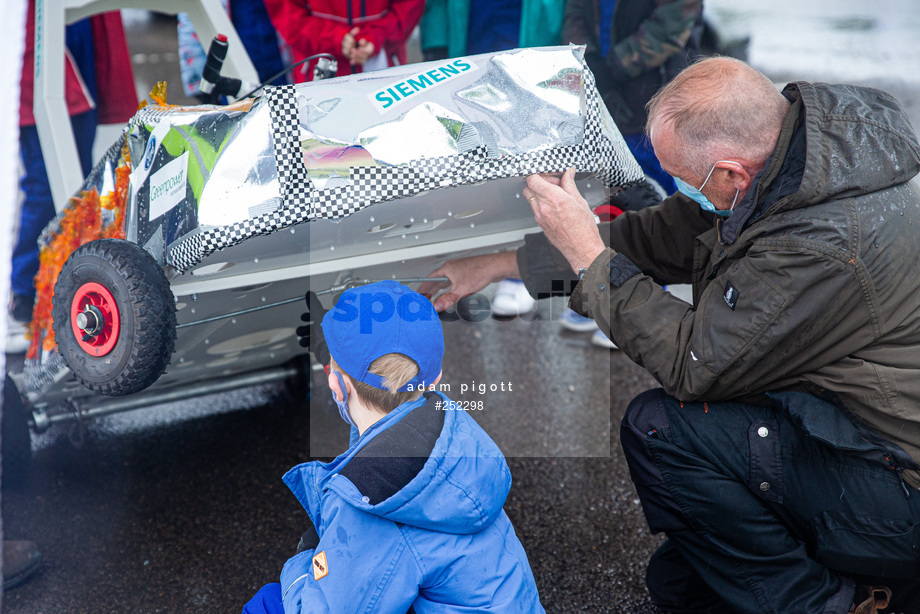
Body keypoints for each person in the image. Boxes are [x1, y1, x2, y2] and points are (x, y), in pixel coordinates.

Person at [420, 57, 920, 613]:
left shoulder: (820, 242)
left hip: (897, 482)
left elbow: (694, 364)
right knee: (684, 589)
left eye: (684, 176)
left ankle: (836, 605)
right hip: (840, 423)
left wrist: (588, 255)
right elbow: (660, 235)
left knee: (665, 431)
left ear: (733, 173)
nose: (679, 189)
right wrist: (497, 263)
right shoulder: (792, 168)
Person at [242, 281, 544, 613]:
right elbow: (385, 422)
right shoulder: (448, 436)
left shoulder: (375, 505)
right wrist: (336, 363)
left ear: (336, 387)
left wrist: (307, 560)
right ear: (435, 378)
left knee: (269, 603)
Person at [419, 0, 567, 317]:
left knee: (535, 158)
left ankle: (521, 270)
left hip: (533, 42)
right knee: (473, 158)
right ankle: (466, 262)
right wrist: (435, 42)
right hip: (472, 40)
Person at [7, 5, 136, 354]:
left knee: (75, 178)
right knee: (45, 180)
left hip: (78, 25)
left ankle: (62, 286)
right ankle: (25, 293)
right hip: (35, 29)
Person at [264, 0, 424, 82]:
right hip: (317, 73)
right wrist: (332, 37)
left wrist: (376, 36)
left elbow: (408, 8)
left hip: (384, 64)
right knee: (323, 143)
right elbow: (288, 14)